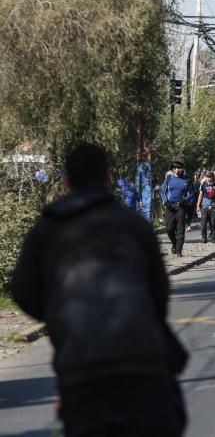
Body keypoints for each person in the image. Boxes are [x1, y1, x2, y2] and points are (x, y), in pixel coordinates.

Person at [11, 143, 187, 436]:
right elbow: (159, 293)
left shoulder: (49, 228)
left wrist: (60, 315)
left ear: (66, 179)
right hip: (140, 360)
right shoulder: (132, 224)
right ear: (107, 177)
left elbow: (23, 290)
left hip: (81, 365)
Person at [160, 161, 190, 257]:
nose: (179, 169)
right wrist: (166, 202)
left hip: (181, 207)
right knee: (169, 229)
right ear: (173, 169)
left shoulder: (187, 180)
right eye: (177, 168)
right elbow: (162, 192)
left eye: (180, 167)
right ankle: (174, 243)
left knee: (180, 230)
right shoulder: (169, 179)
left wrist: (185, 200)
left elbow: (192, 193)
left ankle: (178, 251)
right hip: (170, 207)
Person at [195, 170, 215, 244]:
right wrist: (198, 206)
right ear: (205, 177)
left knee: (214, 221)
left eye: (210, 177)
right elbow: (200, 195)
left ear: (212, 177)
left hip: (213, 206)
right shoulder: (203, 184)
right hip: (204, 206)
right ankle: (204, 236)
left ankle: (213, 236)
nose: (208, 178)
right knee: (203, 222)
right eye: (207, 177)